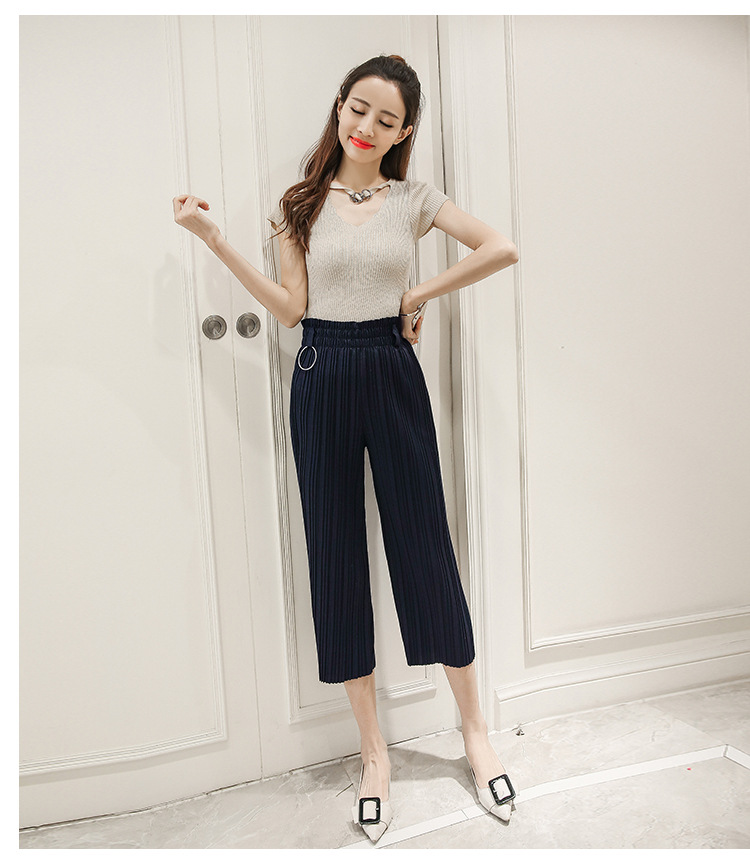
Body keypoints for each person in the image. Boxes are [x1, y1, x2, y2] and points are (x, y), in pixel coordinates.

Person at [173, 53, 519, 844]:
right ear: (339, 107)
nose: (366, 127)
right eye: (358, 108)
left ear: (404, 132)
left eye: (386, 119)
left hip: (392, 371)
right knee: (334, 555)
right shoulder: (299, 204)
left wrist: (417, 293)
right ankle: (373, 754)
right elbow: (291, 309)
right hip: (321, 373)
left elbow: (500, 247)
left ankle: (475, 731)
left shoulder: (414, 199)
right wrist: (215, 239)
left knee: (425, 547)